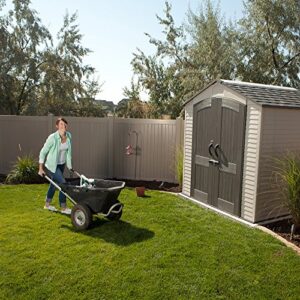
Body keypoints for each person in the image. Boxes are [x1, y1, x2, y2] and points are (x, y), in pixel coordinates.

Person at [38, 117, 72, 215]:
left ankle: (47, 205)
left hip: (61, 164)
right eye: (61, 124)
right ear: (57, 126)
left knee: (53, 184)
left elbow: (69, 153)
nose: (63, 125)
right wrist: (40, 168)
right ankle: (63, 207)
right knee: (63, 184)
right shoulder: (52, 137)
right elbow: (43, 152)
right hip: (52, 166)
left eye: (65, 124)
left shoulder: (69, 136)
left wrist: (70, 167)